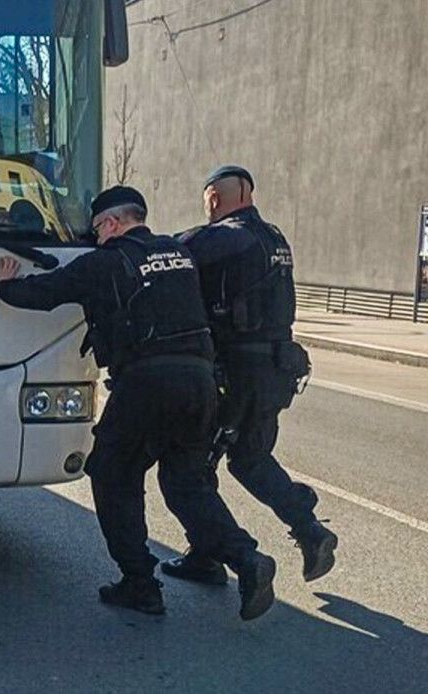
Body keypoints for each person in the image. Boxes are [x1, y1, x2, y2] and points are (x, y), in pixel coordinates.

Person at [0, 186, 277, 620]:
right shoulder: (179, 253)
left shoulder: (104, 262)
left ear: (110, 223)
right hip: (200, 380)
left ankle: (139, 583)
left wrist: (4, 286)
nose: (96, 235)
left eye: (97, 228)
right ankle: (247, 560)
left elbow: (42, 294)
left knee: (112, 473)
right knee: (187, 483)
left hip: (147, 381)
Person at [167, 166, 337, 585]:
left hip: (235, 375)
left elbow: (171, 252)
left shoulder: (225, 237)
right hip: (274, 372)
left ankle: (219, 556)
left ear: (213, 200)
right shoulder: (274, 237)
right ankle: (310, 531)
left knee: (189, 468)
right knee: (250, 459)